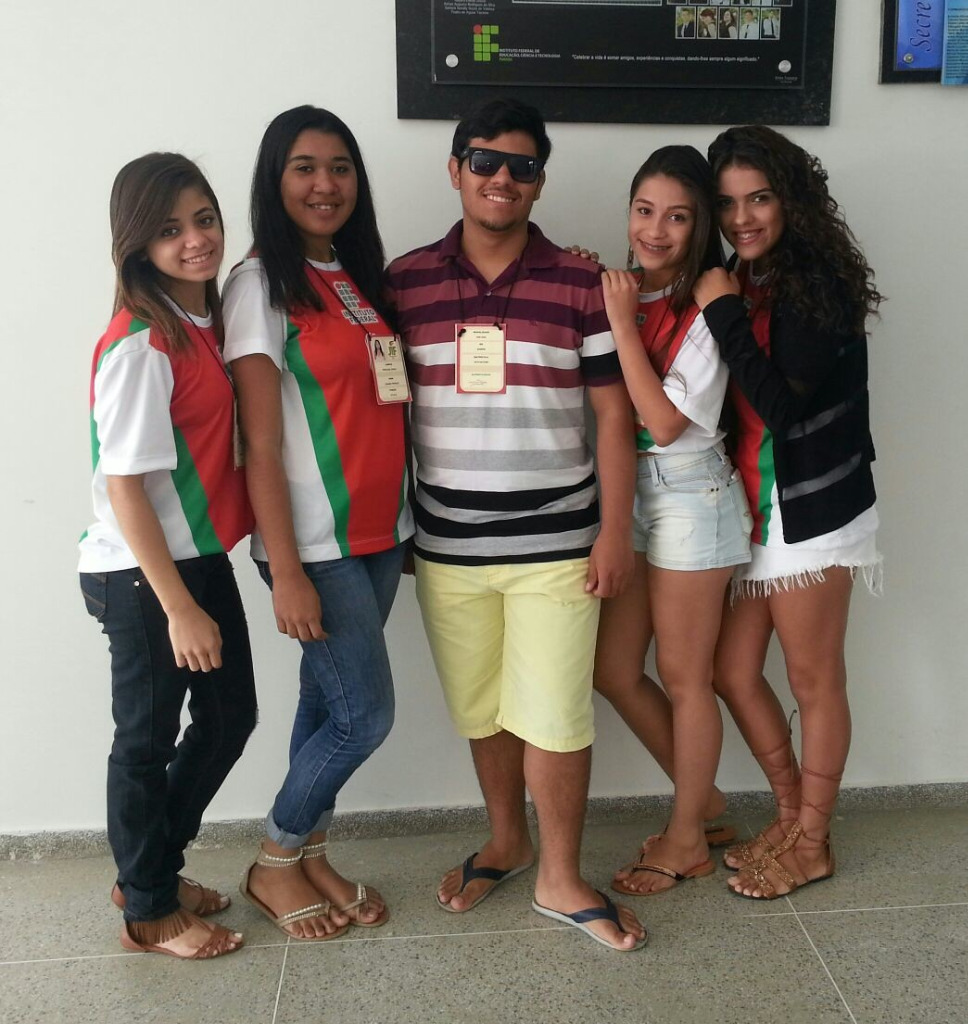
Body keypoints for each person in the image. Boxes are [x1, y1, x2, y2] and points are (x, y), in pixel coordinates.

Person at [386, 98, 646, 952]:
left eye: (523, 166)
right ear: (455, 169)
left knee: (558, 715)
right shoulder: (403, 283)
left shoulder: (579, 283)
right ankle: (508, 840)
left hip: (558, 545)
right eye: (485, 161)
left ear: (540, 181)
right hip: (447, 548)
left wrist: (614, 531)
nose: (503, 177)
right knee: (484, 710)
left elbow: (614, 418)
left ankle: (561, 876)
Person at [223, 105, 414, 939]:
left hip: (381, 536)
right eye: (304, 167)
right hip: (315, 542)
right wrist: (288, 570)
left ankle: (310, 853)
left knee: (323, 704)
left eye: (339, 167)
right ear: (275, 180)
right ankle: (274, 857)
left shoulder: (352, 274)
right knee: (364, 718)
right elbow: (259, 444)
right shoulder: (258, 284)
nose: (324, 184)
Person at [693, 125, 882, 899]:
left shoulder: (815, 283)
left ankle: (814, 842)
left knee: (813, 679)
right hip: (756, 507)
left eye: (760, 198)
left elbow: (781, 407)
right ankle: (791, 814)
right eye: (728, 203)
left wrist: (723, 313)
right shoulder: (743, 274)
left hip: (816, 508)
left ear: (791, 199)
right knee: (732, 671)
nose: (742, 217)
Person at [79, 153, 256, 959]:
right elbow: (125, 487)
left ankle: (148, 871)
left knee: (228, 719)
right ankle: (149, 910)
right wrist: (178, 606)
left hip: (195, 556)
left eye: (204, 219)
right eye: (169, 229)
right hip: (144, 572)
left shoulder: (196, 325)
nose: (195, 240)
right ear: (136, 245)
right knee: (145, 742)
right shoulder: (143, 343)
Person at [591, 147, 751, 896]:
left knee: (687, 678)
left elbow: (662, 420)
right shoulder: (625, 288)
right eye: (644, 210)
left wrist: (622, 323)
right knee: (614, 670)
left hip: (693, 496)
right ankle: (705, 805)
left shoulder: (712, 301)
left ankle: (687, 839)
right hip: (632, 495)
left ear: (701, 226)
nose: (655, 230)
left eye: (677, 217)